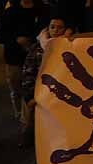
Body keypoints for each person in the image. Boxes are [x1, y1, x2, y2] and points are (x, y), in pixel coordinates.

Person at [0, 0, 49, 124]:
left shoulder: (42, 11)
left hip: (35, 58)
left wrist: (32, 41)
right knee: (16, 87)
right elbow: (0, 36)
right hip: (14, 57)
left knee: (35, 89)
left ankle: (31, 118)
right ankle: (20, 115)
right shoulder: (11, 12)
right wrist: (16, 39)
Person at [20, 16, 74, 147]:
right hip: (38, 91)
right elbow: (28, 71)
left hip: (58, 94)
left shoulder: (70, 46)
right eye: (53, 27)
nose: (56, 30)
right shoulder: (38, 48)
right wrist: (29, 95)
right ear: (48, 29)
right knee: (30, 123)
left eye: (60, 27)